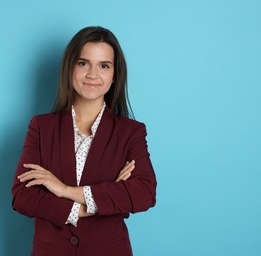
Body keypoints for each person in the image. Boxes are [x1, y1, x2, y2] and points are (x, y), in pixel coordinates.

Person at [11, 26, 157, 256]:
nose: (92, 74)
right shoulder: (41, 127)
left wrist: (63, 189)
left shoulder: (131, 132)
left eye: (104, 66)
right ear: (70, 68)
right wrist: (100, 201)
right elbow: (23, 196)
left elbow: (144, 194)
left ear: (114, 75)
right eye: (83, 63)